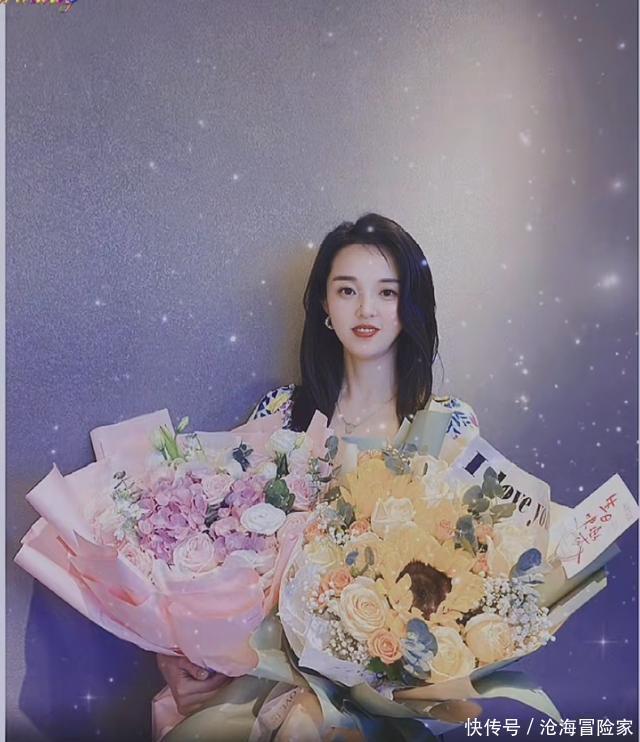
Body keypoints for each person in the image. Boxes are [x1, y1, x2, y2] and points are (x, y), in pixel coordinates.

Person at [157, 212, 479, 717]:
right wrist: (176, 653)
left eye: (387, 292)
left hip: (389, 681)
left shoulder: (449, 425)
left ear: (411, 305)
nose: (366, 308)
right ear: (326, 305)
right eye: (347, 290)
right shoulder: (281, 413)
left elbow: (476, 563)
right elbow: (222, 546)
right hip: (266, 670)